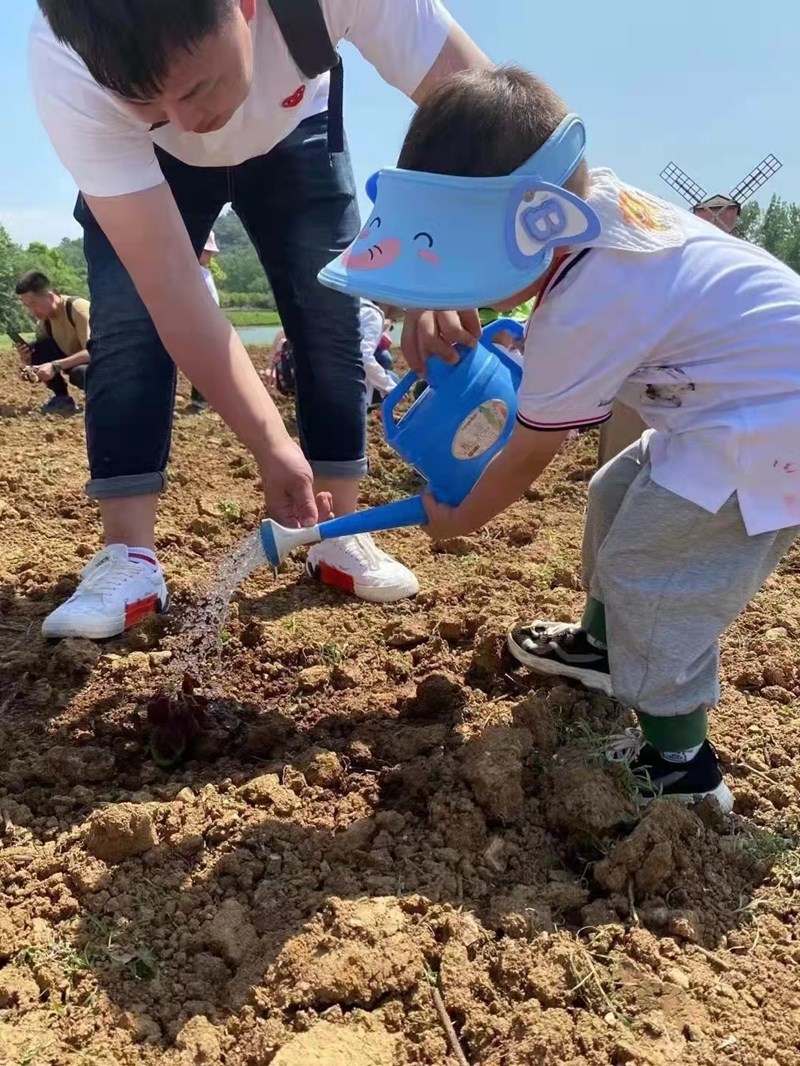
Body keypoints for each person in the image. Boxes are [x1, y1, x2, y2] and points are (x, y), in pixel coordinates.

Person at [319, 65, 800, 812]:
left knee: (656, 573)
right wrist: (445, 300)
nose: (458, 282)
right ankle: (606, 650)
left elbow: (528, 451)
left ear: (539, 223)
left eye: (463, 254)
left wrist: (462, 516)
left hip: (771, 429)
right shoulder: (601, 207)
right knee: (617, 490)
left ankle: (683, 767)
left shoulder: (584, 304)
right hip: (727, 408)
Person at [30, 0, 489, 639]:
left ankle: (336, 532)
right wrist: (270, 442)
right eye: (151, 99)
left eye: (196, 87)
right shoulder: (66, 59)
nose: (191, 123)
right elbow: (171, 288)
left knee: (331, 314)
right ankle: (128, 555)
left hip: (294, 125)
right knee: (130, 323)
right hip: (150, 161)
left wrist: (440, 264)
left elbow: (479, 107)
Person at [13, 272, 91, 415]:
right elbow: (41, 356)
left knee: (80, 373)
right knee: (37, 348)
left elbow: (93, 352)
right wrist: (29, 362)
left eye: (33, 304)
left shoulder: (78, 309)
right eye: (27, 306)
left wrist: (55, 366)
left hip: (102, 365)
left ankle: (102, 400)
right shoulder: (44, 323)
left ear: (49, 296)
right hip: (73, 360)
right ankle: (62, 399)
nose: (31, 311)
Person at [189, 231, 221, 409]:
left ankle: (202, 398)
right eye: (207, 251)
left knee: (204, 362)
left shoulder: (202, 272)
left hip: (207, 324)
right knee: (204, 363)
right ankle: (201, 399)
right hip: (201, 325)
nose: (210, 255)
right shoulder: (196, 272)